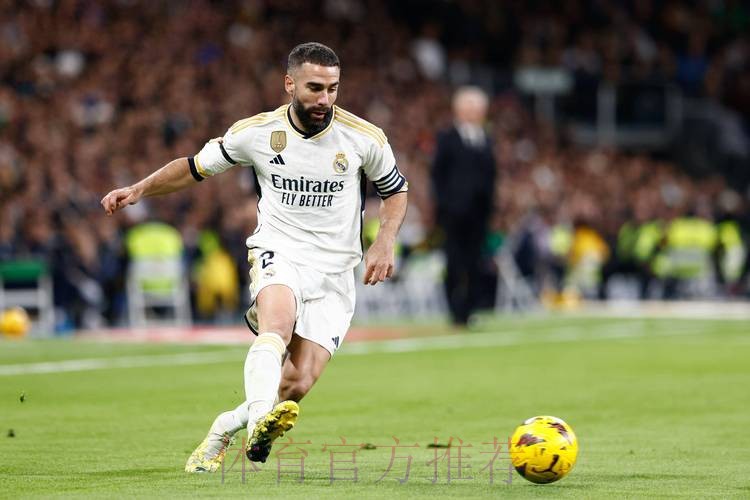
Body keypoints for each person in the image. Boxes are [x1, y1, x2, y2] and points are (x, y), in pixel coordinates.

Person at [101, 42, 408, 472]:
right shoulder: (257, 133)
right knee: (275, 327)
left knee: (296, 384)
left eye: (333, 89)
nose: (325, 99)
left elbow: (395, 190)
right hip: (279, 250)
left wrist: (385, 240)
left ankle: (225, 427)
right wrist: (139, 189)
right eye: (315, 88)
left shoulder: (363, 137)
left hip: (336, 271)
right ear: (289, 84)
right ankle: (261, 417)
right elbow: (193, 167)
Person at [431, 86, 496, 327]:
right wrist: (445, 206)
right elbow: (437, 175)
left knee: (475, 262)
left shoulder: (485, 138)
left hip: (479, 215)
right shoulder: (447, 137)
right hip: (454, 214)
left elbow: (491, 176)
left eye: (478, 108)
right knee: (454, 262)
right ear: (458, 110)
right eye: (469, 107)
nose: (474, 112)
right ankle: (455, 311)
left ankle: (469, 310)